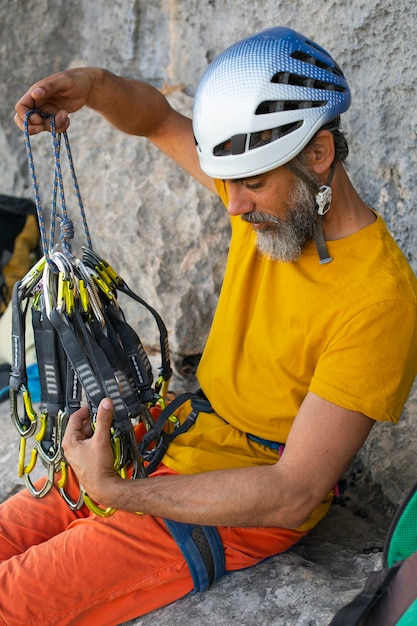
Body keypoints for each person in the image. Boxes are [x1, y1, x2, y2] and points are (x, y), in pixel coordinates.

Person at [4, 25, 417, 625]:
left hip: (240, 501)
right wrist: (90, 86)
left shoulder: (380, 303)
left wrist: (121, 494)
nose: (232, 205)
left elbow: (293, 492)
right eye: (231, 181)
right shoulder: (275, 212)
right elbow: (154, 119)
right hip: (171, 437)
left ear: (318, 155)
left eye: (251, 183)